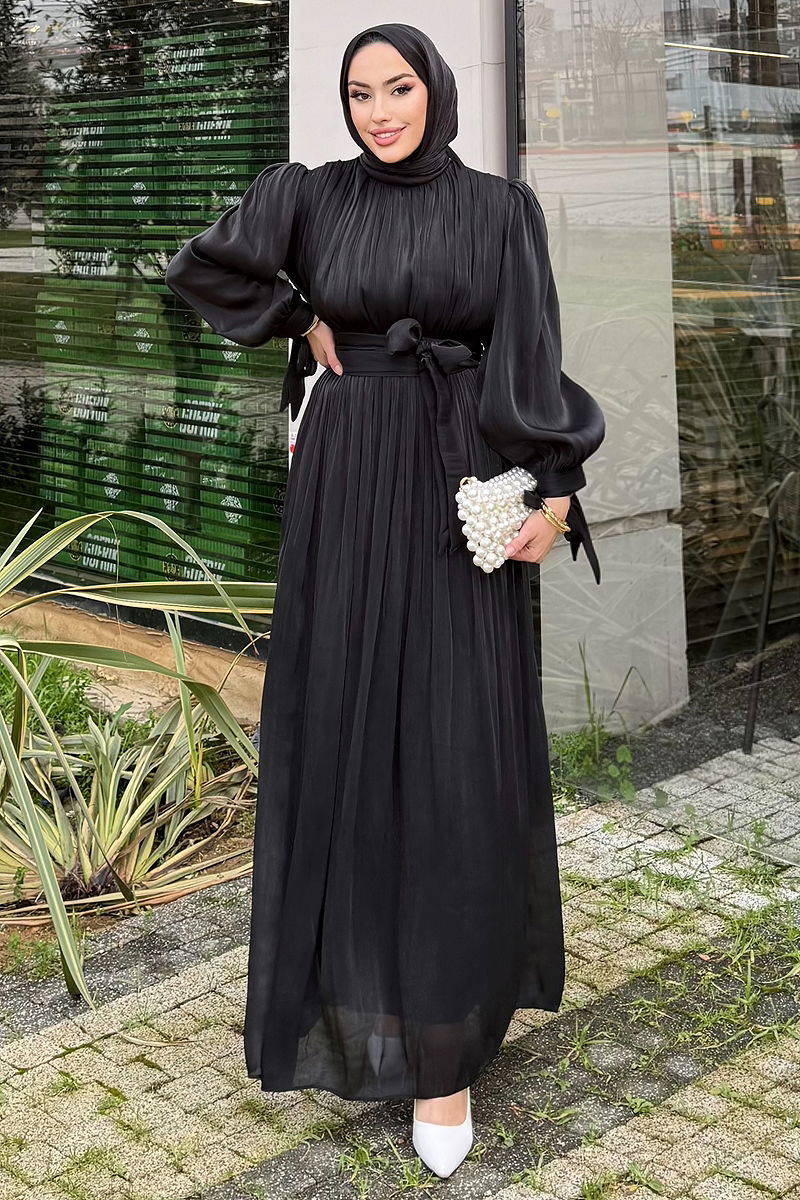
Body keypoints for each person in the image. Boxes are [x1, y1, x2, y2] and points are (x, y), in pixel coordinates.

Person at [164, 21, 605, 1179]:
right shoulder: (311, 197)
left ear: (434, 89)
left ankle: (444, 1048)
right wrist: (299, 319)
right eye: (359, 93)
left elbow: (528, 349)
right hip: (348, 483)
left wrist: (554, 490)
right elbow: (202, 265)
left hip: (458, 474)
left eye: (397, 87)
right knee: (351, 737)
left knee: (450, 747)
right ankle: (361, 997)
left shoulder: (499, 210)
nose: (379, 111)